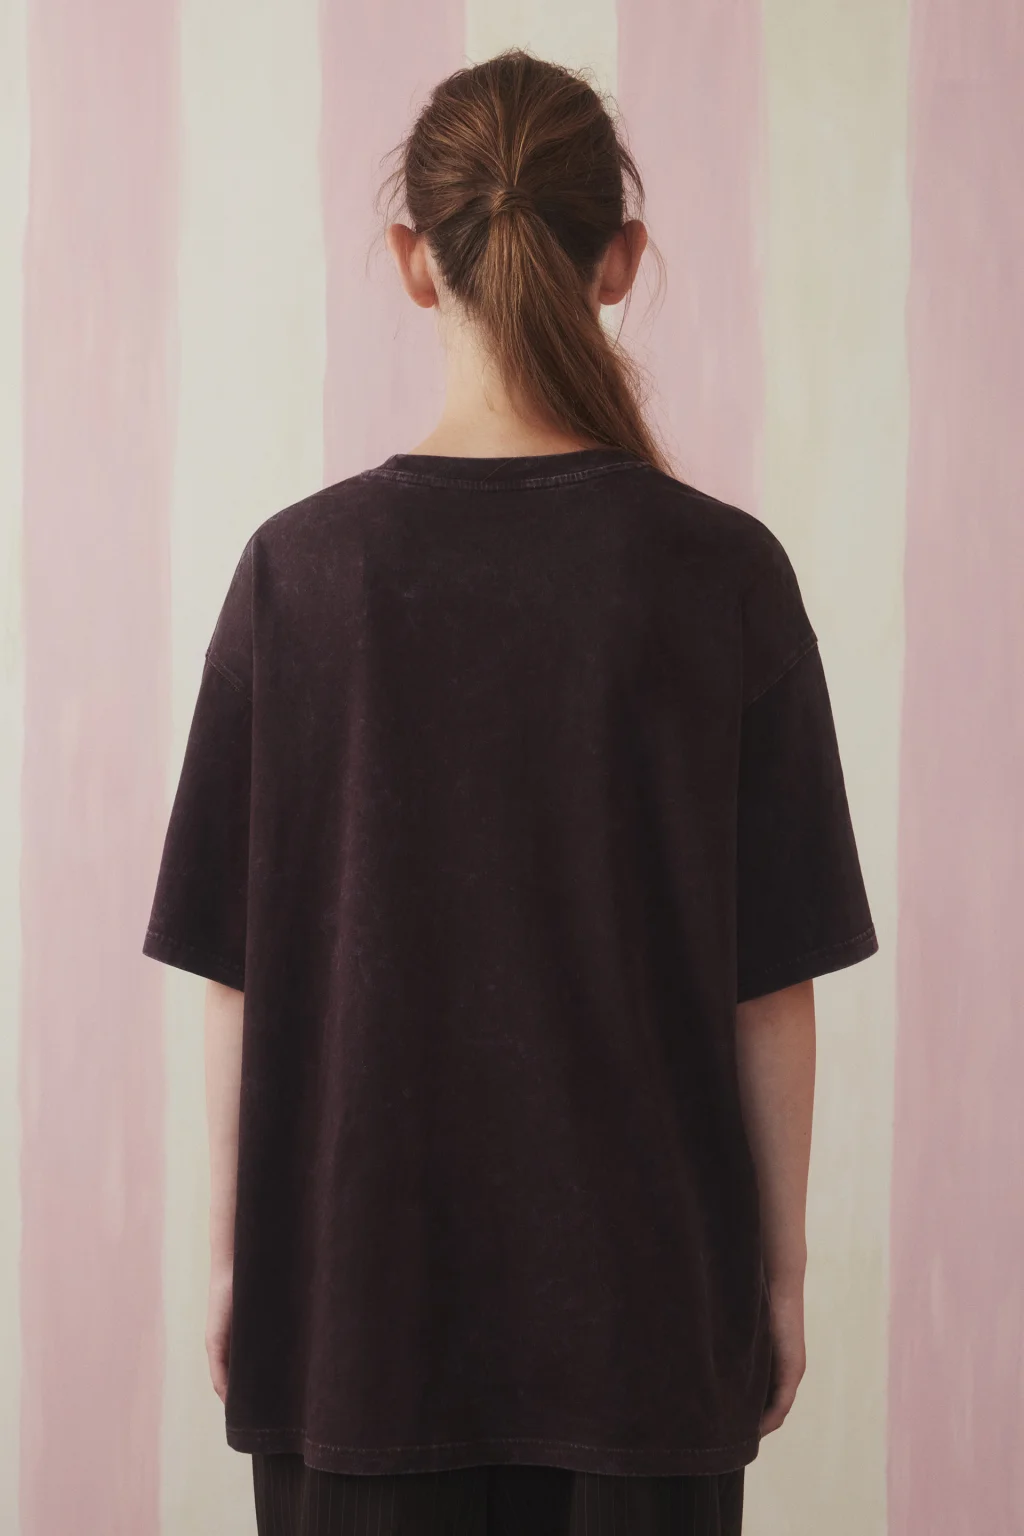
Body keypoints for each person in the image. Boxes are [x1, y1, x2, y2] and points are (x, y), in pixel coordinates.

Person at [142, 47, 879, 1536]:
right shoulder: (724, 576)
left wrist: (235, 1261)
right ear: (622, 258)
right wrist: (781, 1278)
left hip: (354, 1322)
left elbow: (237, 971)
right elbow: (771, 986)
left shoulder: (297, 578)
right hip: (645, 1335)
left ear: (414, 261)